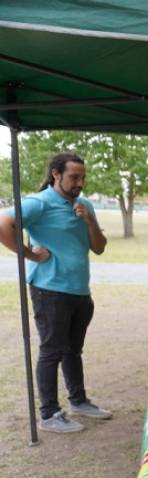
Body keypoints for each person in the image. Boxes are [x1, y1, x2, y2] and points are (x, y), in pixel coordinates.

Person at [0, 152, 112, 433]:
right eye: (74, 177)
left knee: (73, 350)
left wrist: (89, 221)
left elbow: (98, 247)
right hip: (50, 290)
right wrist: (30, 255)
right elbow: (3, 223)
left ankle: (79, 401)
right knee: (52, 351)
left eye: (83, 177)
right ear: (55, 174)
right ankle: (49, 414)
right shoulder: (40, 203)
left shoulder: (84, 205)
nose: (80, 183)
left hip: (79, 290)